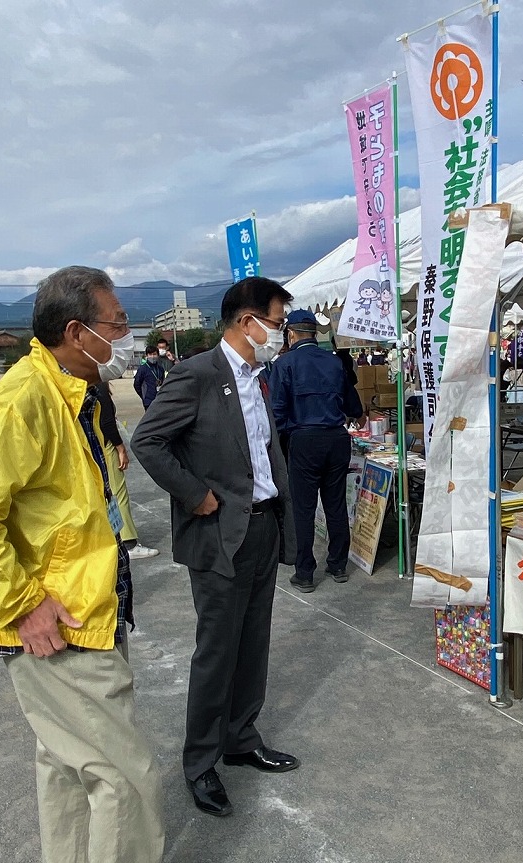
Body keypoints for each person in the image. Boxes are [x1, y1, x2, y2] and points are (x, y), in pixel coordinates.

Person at [0, 266, 191, 863]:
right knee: (125, 774)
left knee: (68, 766)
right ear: (76, 332)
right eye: (116, 323)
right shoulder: (21, 401)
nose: (125, 335)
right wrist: (21, 605)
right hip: (61, 621)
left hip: (83, 606)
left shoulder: (71, 390)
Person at [131, 276, 299, 819]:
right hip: (221, 532)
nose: (281, 333)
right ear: (247, 322)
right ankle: (200, 762)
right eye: (276, 323)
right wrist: (194, 494)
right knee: (217, 650)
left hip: (263, 525)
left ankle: (241, 737)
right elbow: (148, 441)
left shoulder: (257, 377)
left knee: (253, 643)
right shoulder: (198, 374)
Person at [268, 309, 363, 593]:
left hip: (304, 440)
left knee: (303, 508)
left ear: (291, 334)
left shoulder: (284, 364)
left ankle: (305, 572)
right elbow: (354, 407)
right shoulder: (334, 362)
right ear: (314, 333)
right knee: (335, 504)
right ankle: (338, 565)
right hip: (336, 438)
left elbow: (277, 412)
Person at [97, 379, 159, 560]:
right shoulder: (98, 386)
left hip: (93, 446)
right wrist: (120, 447)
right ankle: (128, 542)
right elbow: (107, 421)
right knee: (118, 493)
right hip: (106, 445)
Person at [133, 344, 165, 410]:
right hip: (148, 401)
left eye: (154, 354)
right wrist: (144, 396)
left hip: (160, 400)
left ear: (158, 355)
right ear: (147, 356)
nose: (152, 356)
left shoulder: (160, 368)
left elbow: (163, 382)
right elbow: (137, 384)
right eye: (150, 354)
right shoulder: (142, 369)